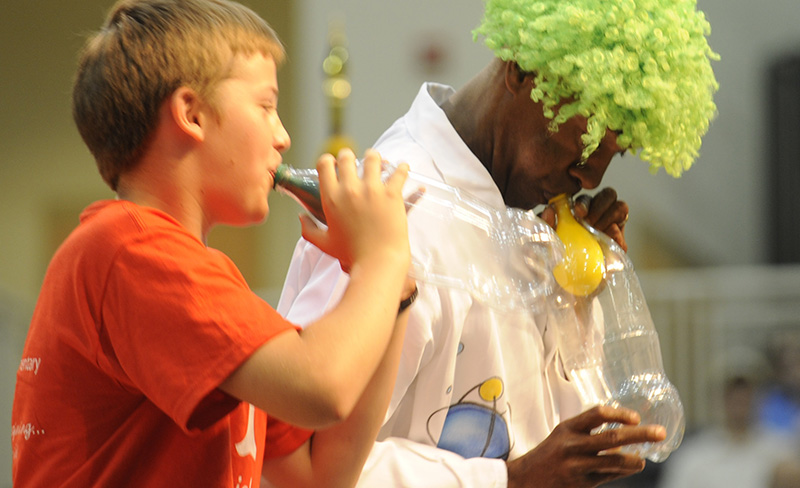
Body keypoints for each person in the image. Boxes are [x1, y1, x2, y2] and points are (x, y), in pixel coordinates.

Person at [278, 0, 719, 487]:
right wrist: (510, 480)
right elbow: (295, 457)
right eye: (588, 137)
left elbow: (544, 441)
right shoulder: (393, 209)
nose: (592, 175)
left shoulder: (523, 219)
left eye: (617, 151)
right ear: (522, 72)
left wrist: (575, 307)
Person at [10, 1, 417, 487]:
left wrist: (395, 289)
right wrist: (380, 258)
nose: (283, 137)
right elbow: (320, 387)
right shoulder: (132, 250)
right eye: (266, 106)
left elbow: (321, 476)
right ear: (192, 114)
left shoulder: (198, 273)